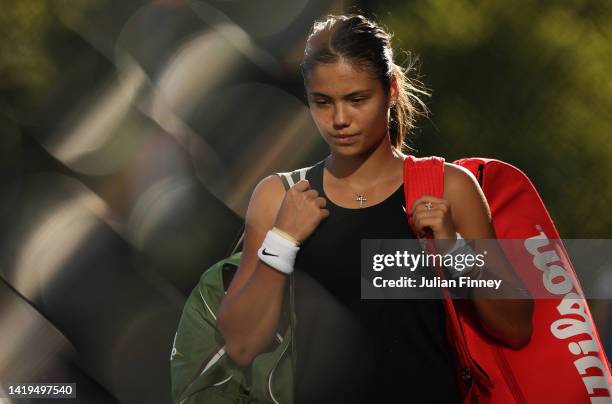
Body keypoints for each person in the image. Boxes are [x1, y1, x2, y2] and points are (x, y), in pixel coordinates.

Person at [217, 14, 533, 403]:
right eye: (322, 102)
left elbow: (516, 326)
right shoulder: (279, 196)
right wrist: (281, 241)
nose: (339, 120)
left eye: (357, 99)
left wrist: (455, 249)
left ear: (392, 90)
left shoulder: (448, 187)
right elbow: (240, 346)